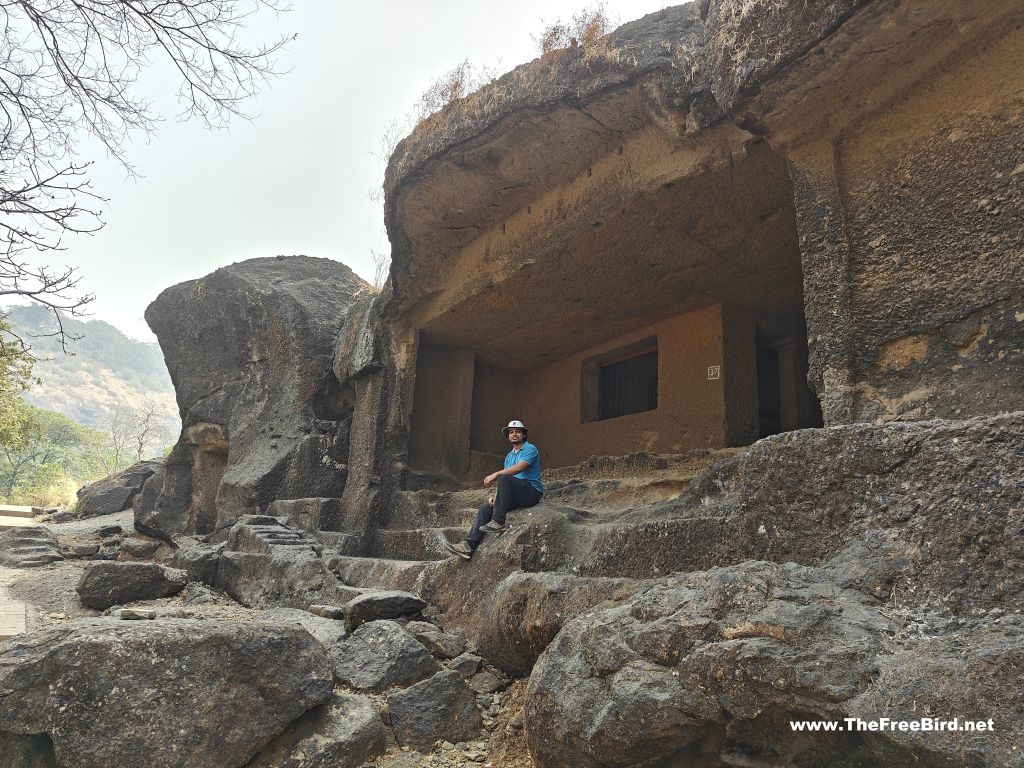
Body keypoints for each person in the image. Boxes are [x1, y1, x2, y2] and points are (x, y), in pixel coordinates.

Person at [445, 420, 543, 560]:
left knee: (504, 477)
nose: (514, 434)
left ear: (524, 435)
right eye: (511, 432)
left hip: (531, 492)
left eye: (517, 432)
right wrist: (496, 497)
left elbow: (519, 468)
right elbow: (506, 485)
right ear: (508, 436)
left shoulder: (530, 449)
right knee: (486, 508)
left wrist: (496, 474)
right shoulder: (509, 456)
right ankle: (469, 546)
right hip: (515, 494)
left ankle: (498, 522)